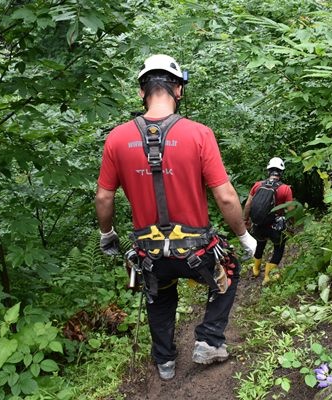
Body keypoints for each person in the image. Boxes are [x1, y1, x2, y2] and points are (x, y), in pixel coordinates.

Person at [95, 54, 256, 381]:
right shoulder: (199, 134)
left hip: (150, 253)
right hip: (195, 251)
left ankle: (165, 362)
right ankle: (210, 340)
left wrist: (107, 234)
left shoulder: (116, 139)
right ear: (178, 89)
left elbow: (104, 196)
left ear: (142, 91)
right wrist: (243, 236)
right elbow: (225, 195)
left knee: (159, 294)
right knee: (230, 268)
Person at [243, 157, 293, 285]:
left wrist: (245, 220)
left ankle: (256, 269)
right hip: (275, 226)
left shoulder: (257, 185)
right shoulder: (285, 189)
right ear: (281, 172)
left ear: (268, 171)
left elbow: (248, 204)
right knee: (278, 247)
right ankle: (268, 276)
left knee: (260, 243)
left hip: (259, 224)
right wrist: (291, 225)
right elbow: (291, 210)